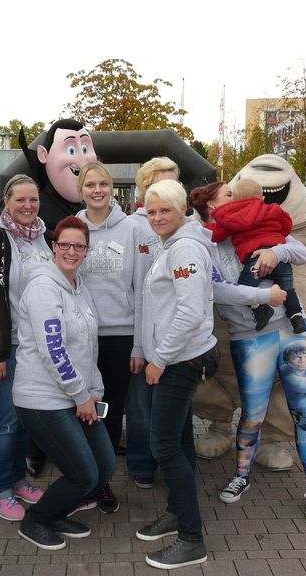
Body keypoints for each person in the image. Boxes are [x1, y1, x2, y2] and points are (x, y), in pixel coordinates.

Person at [189, 181, 306, 526]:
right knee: (252, 415)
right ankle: (241, 475)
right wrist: (262, 297)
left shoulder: (261, 222)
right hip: (249, 339)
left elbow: (302, 252)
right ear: (213, 206)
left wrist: (276, 252)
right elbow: (215, 290)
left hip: (293, 332)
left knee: (304, 412)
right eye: (228, 195)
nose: (237, 199)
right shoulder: (203, 241)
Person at [12, 216, 114, 550]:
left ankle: (56, 512)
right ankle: (36, 520)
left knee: (105, 465)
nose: (71, 251)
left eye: (78, 246)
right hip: (43, 400)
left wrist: (93, 391)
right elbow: (53, 349)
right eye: (65, 244)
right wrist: (80, 395)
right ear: (54, 247)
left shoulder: (79, 286)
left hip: (77, 396)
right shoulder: (43, 287)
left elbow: (89, 347)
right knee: (83, 474)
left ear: (87, 251)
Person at [135, 179, 213, 570]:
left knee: (163, 445)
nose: (156, 217)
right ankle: (177, 512)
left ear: (183, 209)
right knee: (179, 441)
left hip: (179, 361)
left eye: (165, 209)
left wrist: (160, 358)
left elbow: (190, 312)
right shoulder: (170, 245)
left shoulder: (184, 248)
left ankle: (191, 538)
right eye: (151, 211)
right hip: (173, 358)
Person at [0, 174, 50, 522]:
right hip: (3, 347)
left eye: (33, 200)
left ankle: (17, 481)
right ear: (7, 201)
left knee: (22, 419)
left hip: (30, 347)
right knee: (7, 420)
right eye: (21, 200)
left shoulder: (42, 237)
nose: (28, 206)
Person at [75, 161, 144, 513]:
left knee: (111, 410)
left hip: (120, 335)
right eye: (90, 185)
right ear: (81, 191)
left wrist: (139, 344)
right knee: (82, 407)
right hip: (82, 336)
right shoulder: (73, 227)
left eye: (103, 183)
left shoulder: (132, 229)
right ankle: (84, 476)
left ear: (112, 187)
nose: (97, 190)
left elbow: (142, 289)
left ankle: (102, 481)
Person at [122, 156, 180, 490]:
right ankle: (141, 462)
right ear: (145, 189)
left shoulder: (186, 227)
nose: (170, 188)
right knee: (141, 404)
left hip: (178, 336)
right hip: (145, 334)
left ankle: (173, 461)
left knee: (175, 407)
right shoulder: (135, 227)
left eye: (175, 182)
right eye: (162, 183)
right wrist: (139, 345)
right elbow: (137, 290)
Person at [209, 178, 306, 334]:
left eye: (232, 195)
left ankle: (260, 308)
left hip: (254, 260)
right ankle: (296, 317)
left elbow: (217, 234)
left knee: (246, 285)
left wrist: (276, 253)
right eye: (227, 195)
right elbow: (286, 223)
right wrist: (278, 237)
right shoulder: (271, 210)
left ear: (237, 199)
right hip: (281, 261)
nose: (231, 200)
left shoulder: (233, 218)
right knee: (288, 288)